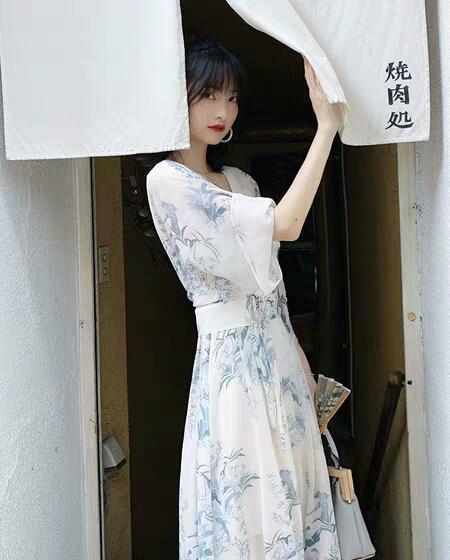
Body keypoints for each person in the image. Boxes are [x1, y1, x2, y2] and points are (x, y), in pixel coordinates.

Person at [146, 35, 343, 560]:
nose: (223, 110)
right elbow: (289, 224)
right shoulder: (167, 181)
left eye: (231, 97)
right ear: (178, 96)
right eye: (208, 95)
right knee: (248, 504)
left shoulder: (240, 181)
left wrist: (302, 363)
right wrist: (326, 128)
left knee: (292, 496)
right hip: (231, 368)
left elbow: (273, 290)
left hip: (280, 360)